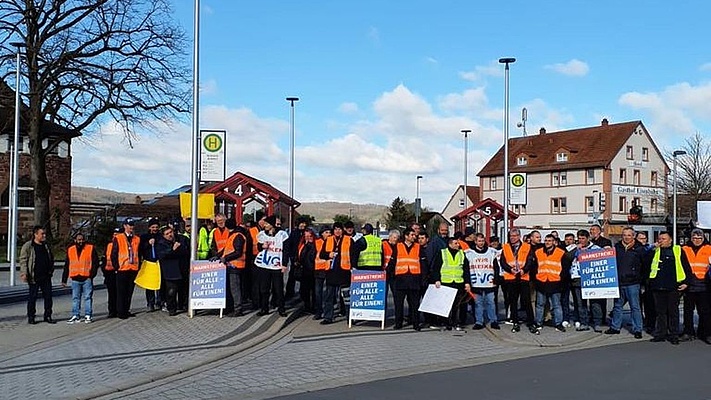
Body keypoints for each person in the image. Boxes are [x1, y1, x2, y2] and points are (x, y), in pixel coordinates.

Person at [648, 231, 692, 345]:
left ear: (670, 240)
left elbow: (686, 266)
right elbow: (645, 262)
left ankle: (674, 335)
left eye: (663, 239)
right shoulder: (655, 250)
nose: (661, 241)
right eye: (660, 239)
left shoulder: (677, 250)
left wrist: (687, 282)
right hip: (658, 286)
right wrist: (651, 249)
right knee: (660, 312)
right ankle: (660, 334)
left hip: (673, 286)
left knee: (673, 312)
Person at [606, 227, 647, 339]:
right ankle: (615, 327)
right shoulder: (617, 247)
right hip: (619, 282)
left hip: (633, 282)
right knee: (617, 306)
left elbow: (645, 266)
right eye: (624, 235)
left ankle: (637, 329)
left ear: (633, 236)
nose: (626, 237)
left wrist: (642, 282)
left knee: (635, 307)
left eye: (629, 235)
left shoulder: (639, 249)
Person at [388, 228, 426, 331]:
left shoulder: (418, 247)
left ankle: (416, 324)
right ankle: (398, 323)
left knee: (415, 304)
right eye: (412, 235)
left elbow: (423, 265)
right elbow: (392, 262)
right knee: (398, 303)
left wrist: (423, 279)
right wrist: (390, 276)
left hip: (414, 279)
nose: (415, 237)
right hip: (401, 279)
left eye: (414, 235)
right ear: (406, 236)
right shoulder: (398, 247)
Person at [498, 228, 535, 334]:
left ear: (519, 236)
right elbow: (503, 262)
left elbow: (529, 261)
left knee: (526, 301)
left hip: (523, 277)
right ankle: (515, 321)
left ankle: (531, 322)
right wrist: (510, 269)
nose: (512, 238)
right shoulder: (505, 247)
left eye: (514, 236)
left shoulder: (527, 247)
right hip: (511, 277)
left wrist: (524, 270)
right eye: (511, 236)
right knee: (513, 301)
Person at [565, 229, 601, 332]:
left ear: (588, 238)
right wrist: (576, 250)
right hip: (577, 280)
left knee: (595, 303)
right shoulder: (574, 248)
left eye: (583, 238)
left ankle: (597, 323)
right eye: (579, 238)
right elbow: (567, 258)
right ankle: (584, 322)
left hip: (591, 280)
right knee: (581, 304)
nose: (581, 240)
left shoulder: (595, 248)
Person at [432, 236, 471, 330]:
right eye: (455, 243)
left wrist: (467, 282)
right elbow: (436, 267)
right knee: (445, 304)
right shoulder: (442, 253)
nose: (458, 245)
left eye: (458, 243)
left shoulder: (461, 253)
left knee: (456, 305)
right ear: (450, 244)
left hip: (458, 282)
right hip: (446, 282)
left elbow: (466, 269)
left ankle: (455, 322)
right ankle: (445, 322)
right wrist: (437, 279)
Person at [531, 234, 568, 333]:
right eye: (546, 240)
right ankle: (538, 323)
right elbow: (534, 267)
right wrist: (536, 278)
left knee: (556, 305)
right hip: (541, 282)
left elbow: (565, 268)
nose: (547, 242)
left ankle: (558, 324)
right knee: (539, 304)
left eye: (550, 240)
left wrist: (561, 280)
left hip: (555, 282)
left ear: (554, 242)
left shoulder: (561, 253)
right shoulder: (538, 252)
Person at [19, 226, 56, 324]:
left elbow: (51, 258)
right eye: (42, 234)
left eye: (44, 233)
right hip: (34, 276)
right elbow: (23, 260)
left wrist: (51, 269)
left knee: (48, 297)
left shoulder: (46, 245)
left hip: (46, 276)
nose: (44, 236)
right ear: (35, 234)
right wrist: (24, 273)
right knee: (32, 297)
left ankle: (48, 315)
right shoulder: (28, 246)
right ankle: (31, 316)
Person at [680, 228, 711, 343]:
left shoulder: (709, 249)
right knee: (688, 311)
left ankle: (706, 333)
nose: (697, 240)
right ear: (691, 238)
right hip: (689, 284)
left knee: (705, 311)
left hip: (705, 284)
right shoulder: (685, 249)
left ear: (703, 238)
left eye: (699, 238)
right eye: (694, 238)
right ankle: (688, 332)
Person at [319, 222, 353, 324]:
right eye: (336, 229)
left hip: (344, 273)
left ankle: (350, 318)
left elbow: (354, 254)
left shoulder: (348, 240)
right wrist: (329, 254)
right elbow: (322, 255)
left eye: (339, 229)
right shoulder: (328, 240)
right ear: (333, 230)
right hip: (331, 273)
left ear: (343, 230)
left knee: (347, 298)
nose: (337, 231)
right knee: (329, 297)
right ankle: (328, 317)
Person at [255, 215, 289, 317]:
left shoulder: (282, 235)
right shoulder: (262, 234)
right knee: (264, 289)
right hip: (264, 265)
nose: (265, 225)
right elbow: (258, 247)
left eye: (267, 223)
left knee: (278, 288)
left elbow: (286, 251)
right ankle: (264, 308)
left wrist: (284, 264)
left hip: (276, 266)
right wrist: (262, 246)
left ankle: (281, 308)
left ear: (272, 224)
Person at [61, 233, 99, 323]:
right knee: (75, 298)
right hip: (75, 278)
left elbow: (95, 263)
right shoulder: (70, 250)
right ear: (75, 240)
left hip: (87, 278)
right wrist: (64, 279)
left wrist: (91, 275)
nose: (80, 241)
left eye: (82, 239)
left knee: (87, 297)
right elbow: (67, 265)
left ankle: (88, 315)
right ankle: (75, 315)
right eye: (78, 240)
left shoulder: (90, 248)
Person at [466, 233, 500, 330]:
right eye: (479, 241)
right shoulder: (469, 253)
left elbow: (496, 267)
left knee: (491, 302)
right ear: (475, 241)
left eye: (482, 241)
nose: (481, 243)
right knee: (478, 303)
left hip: (489, 282)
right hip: (476, 283)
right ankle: (479, 322)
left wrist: (496, 279)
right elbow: (467, 269)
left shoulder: (491, 252)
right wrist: (468, 282)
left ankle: (493, 321)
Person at [111, 218, 141, 319]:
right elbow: (114, 253)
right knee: (121, 292)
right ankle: (121, 312)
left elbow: (138, 253)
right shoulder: (119, 238)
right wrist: (116, 267)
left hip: (133, 268)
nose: (131, 227)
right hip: (122, 269)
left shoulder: (136, 238)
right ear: (124, 226)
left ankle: (127, 310)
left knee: (129, 291)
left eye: (132, 225)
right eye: (129, 225)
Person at [155, 225, 188, 316]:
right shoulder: (161, 243)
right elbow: (162, 255)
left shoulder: (181, 239)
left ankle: (183, 305)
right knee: (171, 291)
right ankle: (171, 308)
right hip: (170, 271)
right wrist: (172, 250)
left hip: (182, 269)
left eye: (171, 232)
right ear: (164, 236)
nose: (170, 235)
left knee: (183, 289)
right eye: (167, 234)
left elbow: (187, 251)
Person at [312, 227, 331, 320]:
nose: (328, 234)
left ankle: (328, 312)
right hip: (318, 269)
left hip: (328, 269)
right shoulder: (316, 242)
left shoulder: (331, 242)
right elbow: (312, 255)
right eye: (326, 232)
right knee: (318, 292)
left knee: (329, 293)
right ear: (322, 233)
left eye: (329, 232)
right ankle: (318, 311)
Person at [102, 227, 121, 318]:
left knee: (120, 293)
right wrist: (104, 272)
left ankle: (119, 310)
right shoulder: (109, 245)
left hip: (120, 271)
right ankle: (111, 311)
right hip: (109, 272)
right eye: (114, 235)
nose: (115, 236)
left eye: (117, 235)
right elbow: (104, 259)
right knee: (111, 293)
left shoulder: (122, 244)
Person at [297, 229, 317, 313]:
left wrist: (309, 245)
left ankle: (313, 307)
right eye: (306, 236)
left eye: (310, 236)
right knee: (304, 290)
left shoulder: (314, 245)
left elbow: (312, 256)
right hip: (304, 270)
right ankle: (306, 306)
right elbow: (300, 256)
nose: (308, 238)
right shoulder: (302, 245)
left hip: (313, 270)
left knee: (313, 290)